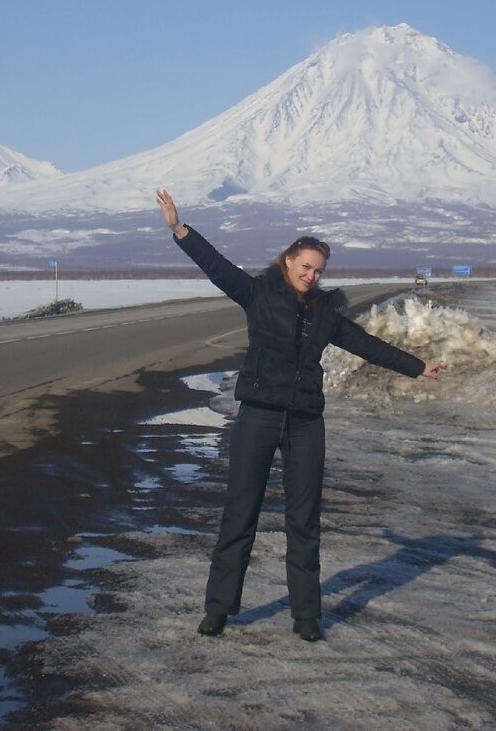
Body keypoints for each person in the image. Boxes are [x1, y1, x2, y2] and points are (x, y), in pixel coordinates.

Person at [156, 189, 445, 643]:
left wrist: (418, 366)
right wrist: (180, 229)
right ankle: (218, 609)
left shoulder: (327, 312)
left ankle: (306, 617)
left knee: (304, 520)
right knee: (240, 514)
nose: (311, 276)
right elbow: (216, 265)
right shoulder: (256, 293)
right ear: (287, 261)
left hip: (306, 422)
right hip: (259, 417)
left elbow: (366, 344)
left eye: (318, 270)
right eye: (305, 266)